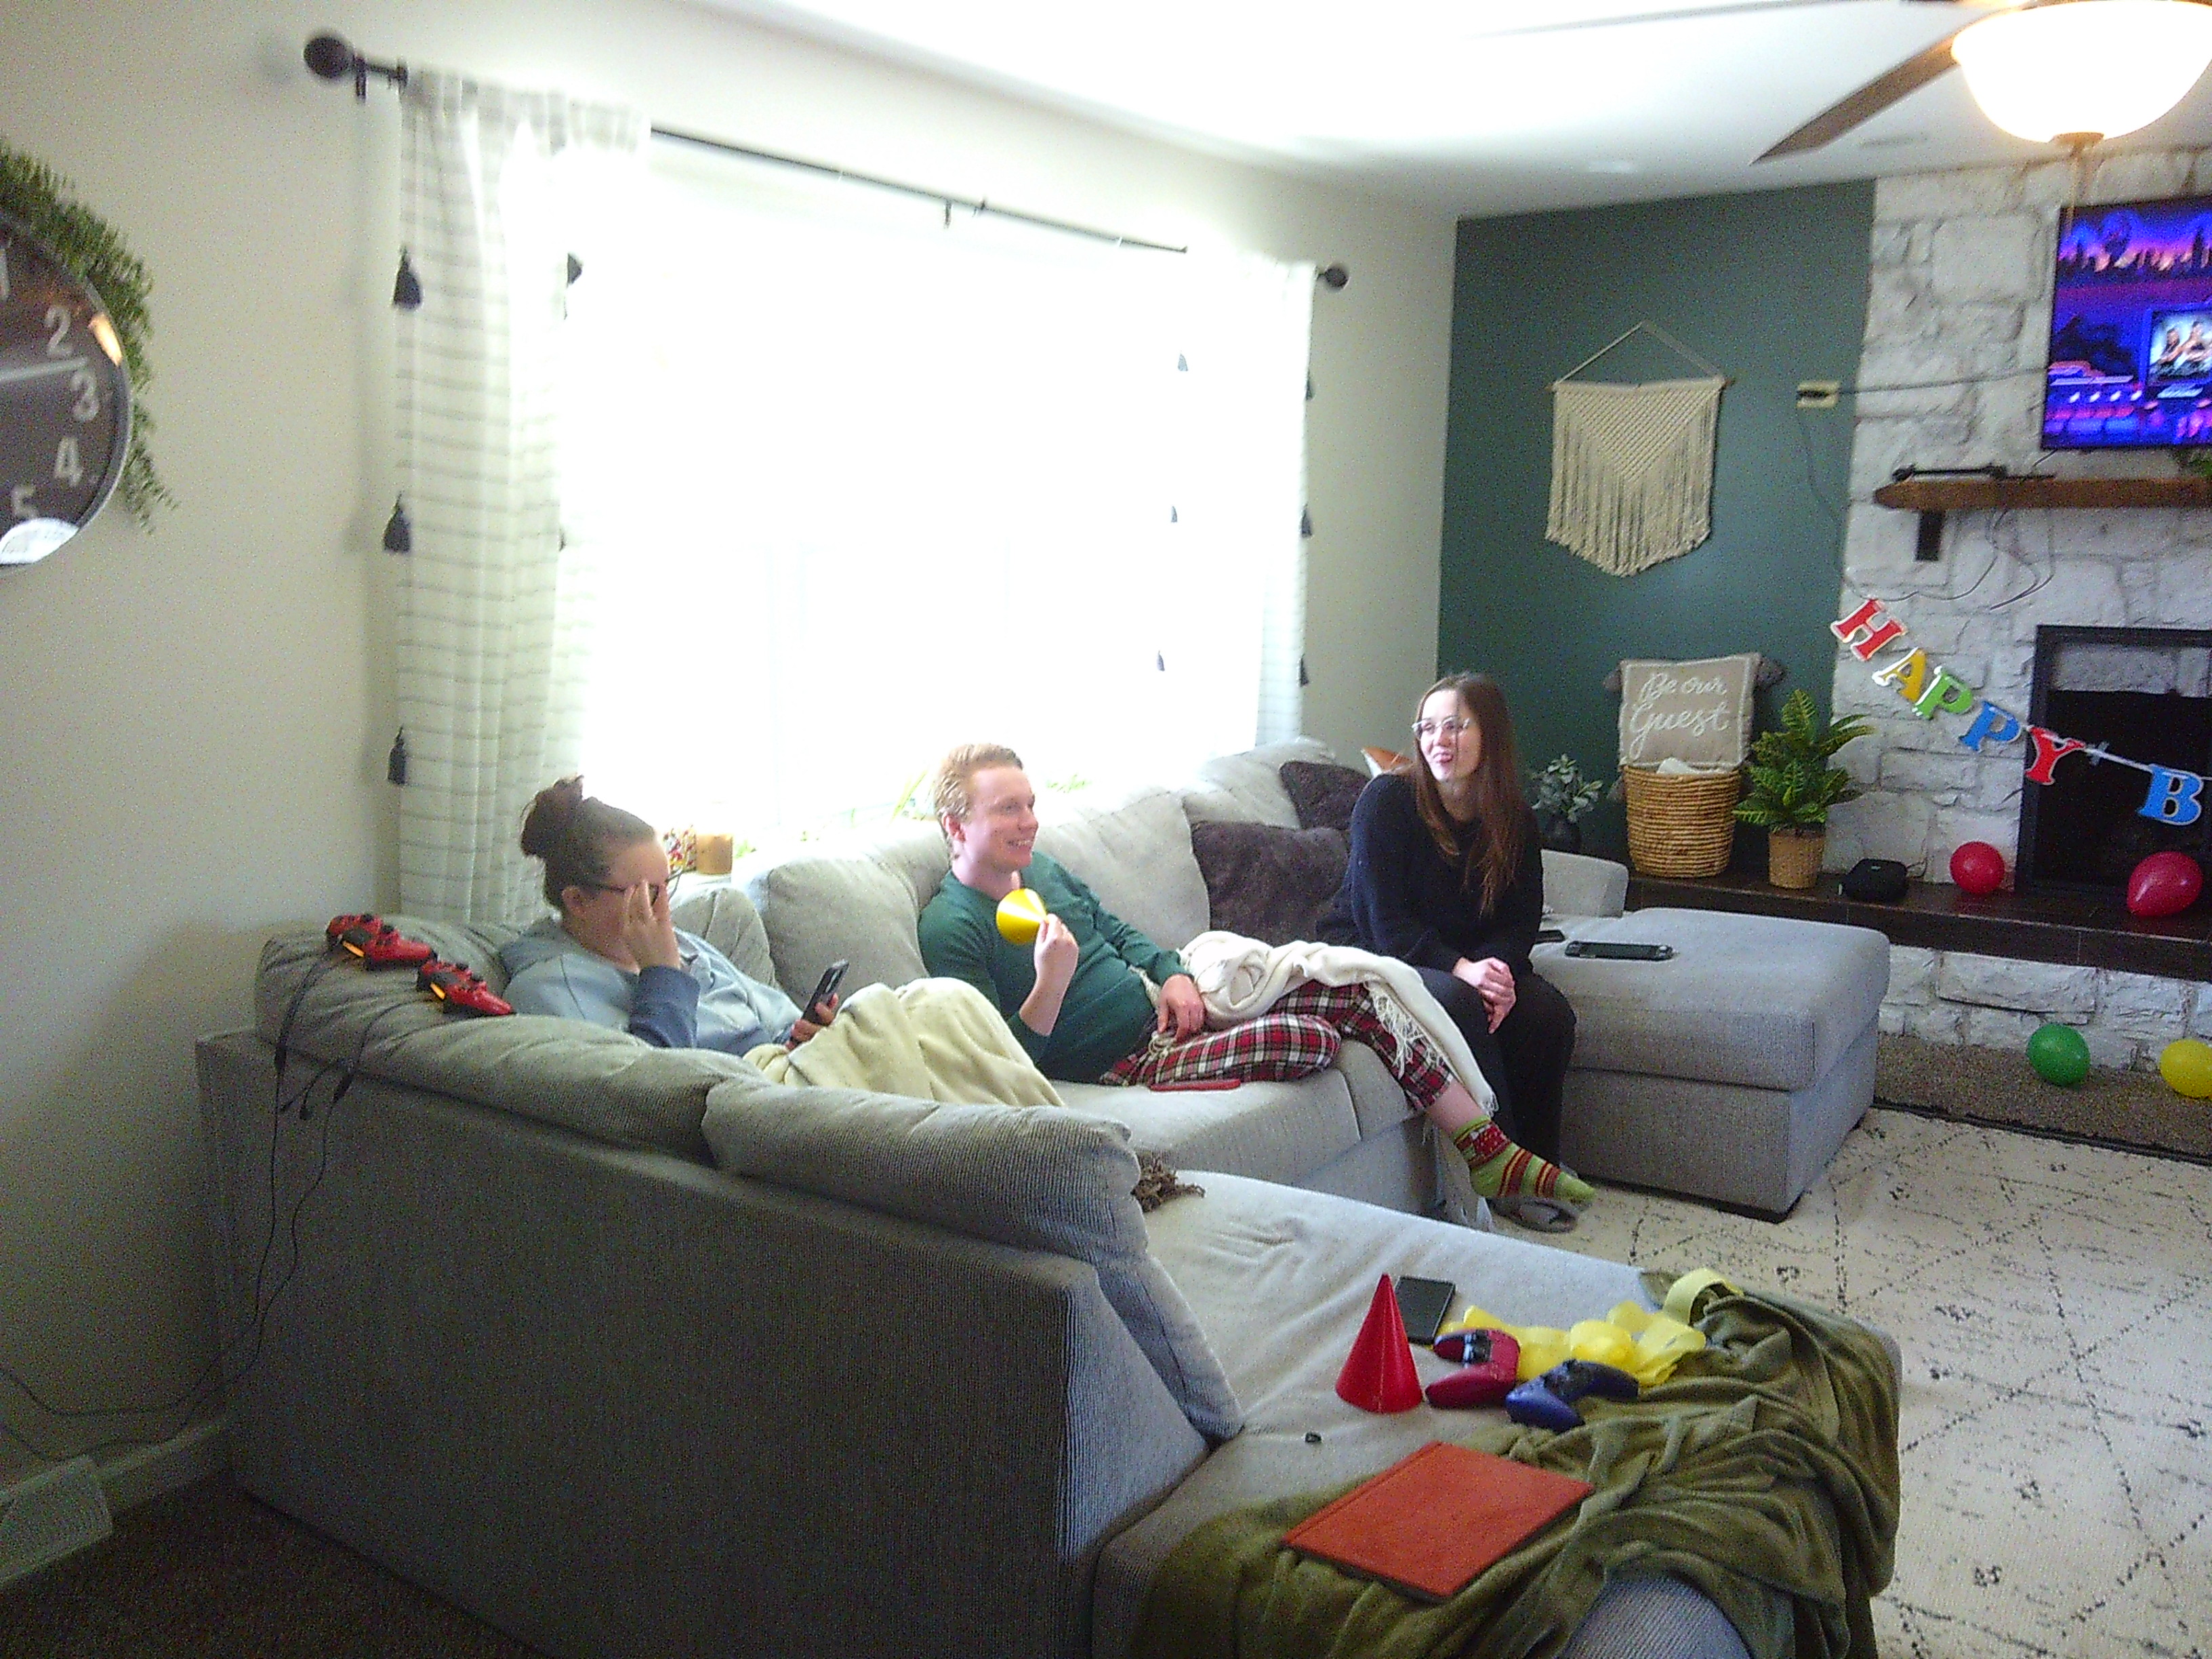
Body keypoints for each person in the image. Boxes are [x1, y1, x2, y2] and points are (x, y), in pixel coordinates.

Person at [916, 743, 1591, 1214]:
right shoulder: (954, 926)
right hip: (1121, 1064)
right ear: (956, 825)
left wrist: (1174, 974)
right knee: (1314, 1042)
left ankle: (1487, 1145)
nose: (1028, 821)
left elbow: (1120, 933)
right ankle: (1484, 1147)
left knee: (1358, 988)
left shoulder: (1043, 872)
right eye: (1007, 809)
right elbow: (996, 1066)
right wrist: (1050, 984)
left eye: (1030, 804)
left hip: (1169, 1008)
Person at [1318, 674, 1580, 1178]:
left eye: (1456, 726)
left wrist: (1498, 972)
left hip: (1462, 957)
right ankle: (1504, 1167)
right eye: (1428, 727)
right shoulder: (1386, 802)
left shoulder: (1516, 820)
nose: (1439, 741)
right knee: (1459, 1001)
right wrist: (1463, 970)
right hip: (1373, 954)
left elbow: (1520, 920)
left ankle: (1541, 1162)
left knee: (1546, 1012)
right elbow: (1384, 924)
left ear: (1491, 734)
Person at [502, 777, 832, 1052]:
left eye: (667, 885)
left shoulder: (685, 946)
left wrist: (803, 1038)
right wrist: (661, 974)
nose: (664, 910)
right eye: (647, 894)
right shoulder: (551, 990)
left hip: (789, 1086)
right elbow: (651, 1095)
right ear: (577, 901)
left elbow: (781, 1021)